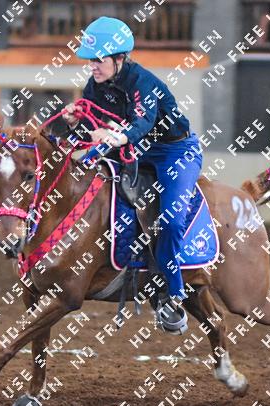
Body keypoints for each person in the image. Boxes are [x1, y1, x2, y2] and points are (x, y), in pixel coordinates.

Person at [63, 16, 201, 335]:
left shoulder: (143, 82)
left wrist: (117, 137)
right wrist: (75, 124)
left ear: (119, 58)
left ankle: (173, 294)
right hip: (133, 148)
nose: (93, 66)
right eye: (90, 60)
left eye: (99, 60)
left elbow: (142, 122)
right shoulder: (94, 85)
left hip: (175, 152)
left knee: (170, 221)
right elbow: (91, 126)